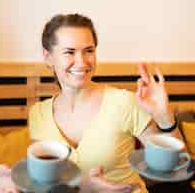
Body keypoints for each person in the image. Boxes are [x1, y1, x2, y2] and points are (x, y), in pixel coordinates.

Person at [28, 13, 186, 193]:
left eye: (89, 50)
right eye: (69, 52)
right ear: (48, 56)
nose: (82, 62)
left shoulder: (124, 102)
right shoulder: (38, 114)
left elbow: (179, 168)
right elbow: (42, 184)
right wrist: (82, 189)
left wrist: (164, 116)